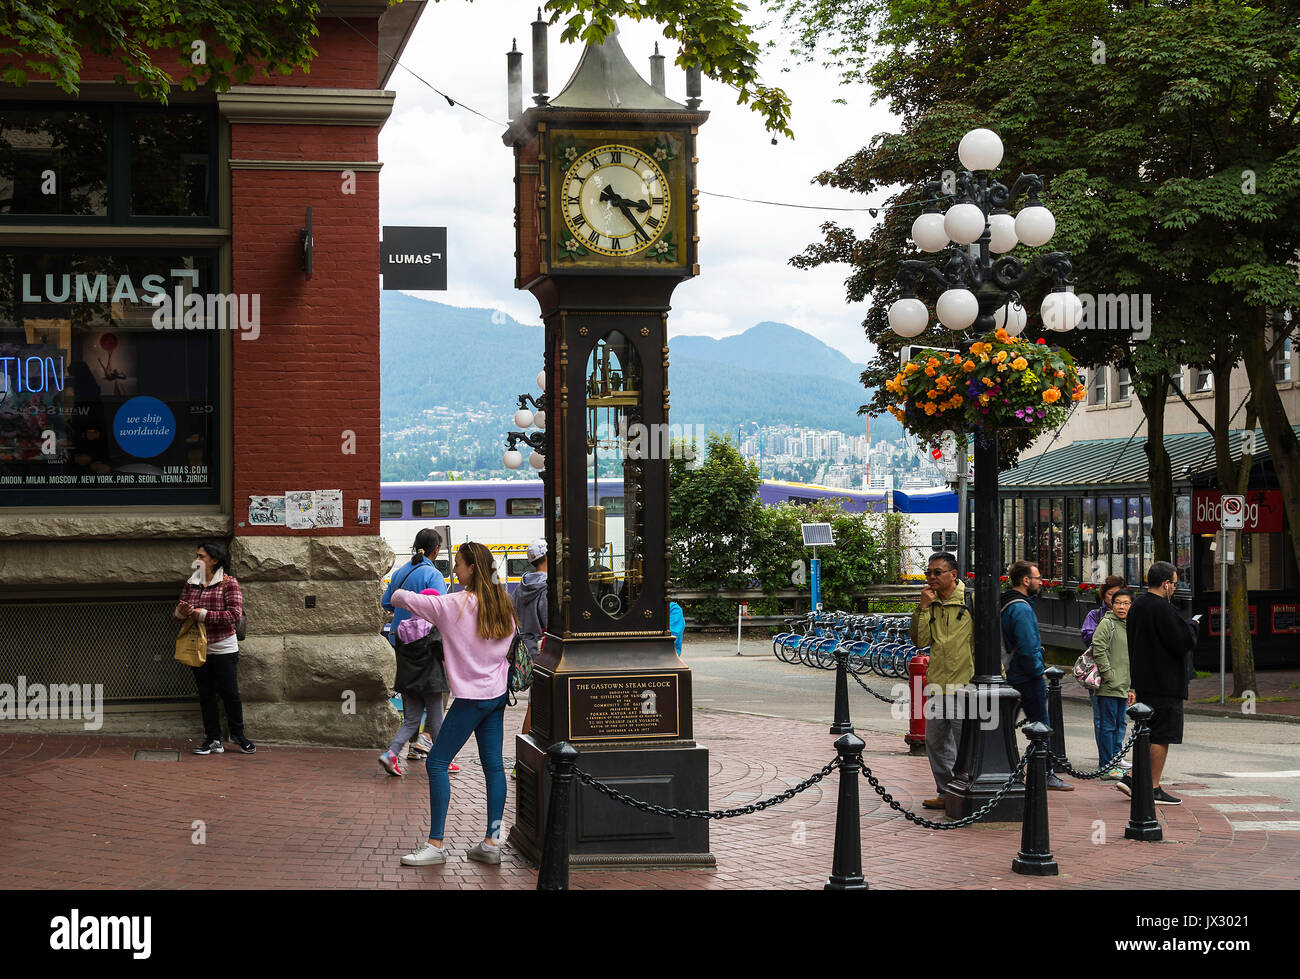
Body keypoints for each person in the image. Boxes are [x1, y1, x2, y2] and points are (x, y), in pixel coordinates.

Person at [393, 542, 515, 866]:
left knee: (436, 763)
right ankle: (491, 842)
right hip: (497, 694)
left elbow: (401, 598)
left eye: (458, 564)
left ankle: (435, 844)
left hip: (471, 699)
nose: (455, 570)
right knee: (494, 766)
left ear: (472, 568)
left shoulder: (453, 605)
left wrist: (407, 573)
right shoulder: (503, 603)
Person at [1122, 561, 1199, 806]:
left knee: (1147, 732)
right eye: (1175, 584)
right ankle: (1152, 786)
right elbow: (1182, 640)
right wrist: (1193, 626)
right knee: (1162, 735)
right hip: (1164, 682)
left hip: (1144, 680)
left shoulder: (1138, 606)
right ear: (1166, 584)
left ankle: (1134, 778)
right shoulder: (1162, 608)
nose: (1175, 588)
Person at [381, 529, 455, 770]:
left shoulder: (401, 572)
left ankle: (413, 746)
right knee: (436, 697)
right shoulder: (432, 574)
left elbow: (386, 602)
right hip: (427, 644)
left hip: (401, 641)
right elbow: (441, 609)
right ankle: (432, 748)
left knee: (411, 696)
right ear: (435, 551)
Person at [176, 541, 254, 755]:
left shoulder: (228, 583)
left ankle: (238, 735)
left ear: (214, 560)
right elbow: (177, 615)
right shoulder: (191, 583)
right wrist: (182, 611)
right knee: (206, 694)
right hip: (197, 647)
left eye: (201, 556)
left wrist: (201, 614)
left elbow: (234, 616)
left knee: (230, 693)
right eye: (197, 555)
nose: (197, 560)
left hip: (223, 647)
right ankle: (213, 739)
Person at [909, 552, 973, 810]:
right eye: (928, 573)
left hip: (966, 685)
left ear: (953, 575)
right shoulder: (931, 604)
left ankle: (967, 791)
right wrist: (922, 608)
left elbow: (989, 642)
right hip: (937, 685)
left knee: (965, 744)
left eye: (937, 572)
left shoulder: (970, 601)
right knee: (935, 743)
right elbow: (920, 640)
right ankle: (946, 792)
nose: (931, 577)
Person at [1001, 560, 1072, 791]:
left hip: (1010, 673)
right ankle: (1044, 772)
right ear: (1025, 580)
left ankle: (1007, 766)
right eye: (1037, 578)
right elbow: (1028, 644)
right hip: (1024, 676)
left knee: (1004, 725)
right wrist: (1037, 671)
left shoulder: (1006, 602)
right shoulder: (1021, 608)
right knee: (1041, 725)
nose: (1040, 582)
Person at [379, 587, 449, 777]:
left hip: (409, 683)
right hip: (431, 682)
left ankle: (391, 754)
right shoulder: (434, 628)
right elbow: (443, 654)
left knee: (410, 722)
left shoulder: (402, 628)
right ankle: (445, 759)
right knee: (436, 721)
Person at [1080, 574, 1130, 769]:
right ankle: (1107, 759)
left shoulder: (1127, 620)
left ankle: (1116, 755)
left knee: (1120, 720)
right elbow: (1094, 644)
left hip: (1122, 679)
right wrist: (1108, 674)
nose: (1117, 602)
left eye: (1121, 598)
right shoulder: (1100, 618)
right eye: (1112, 596)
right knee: (1104, 720)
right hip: (1103, 678)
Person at [1089, 588, 1135, 778]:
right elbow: (1097, 648)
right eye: (1118, 603)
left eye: (1126, 603)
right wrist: (1108, 674)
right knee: (1108, 726)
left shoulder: (1130, 625)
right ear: (1112, 605)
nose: (1122, 607)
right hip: (1109, 686)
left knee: (1119, 725)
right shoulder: (1107, 623)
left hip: (1124, 685)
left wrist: (1132, 687)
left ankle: (1115, 761)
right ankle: (1106, 766)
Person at [512, 538, 548, 743]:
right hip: (542, 649)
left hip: (524, 648)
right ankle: (525, 753)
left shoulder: (521, 586)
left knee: (534, 704)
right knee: (537, 705)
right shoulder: (545, 588)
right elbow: (548, 621)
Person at [1080, 574, 1126, 649]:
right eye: (1110, 594)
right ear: (1104, 595)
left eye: (1118, 594)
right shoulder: (1095, 615)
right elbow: (1088, 639)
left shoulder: (1131, 614)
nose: (1114, 598)